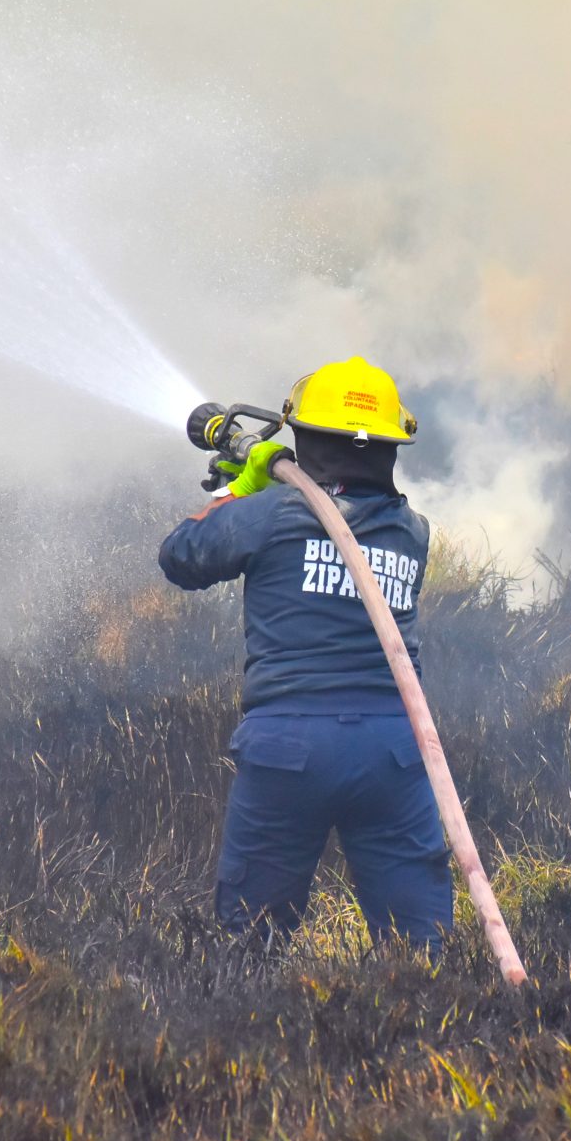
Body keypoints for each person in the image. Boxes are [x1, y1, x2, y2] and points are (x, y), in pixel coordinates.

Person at [158, 356, 452, 956]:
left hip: (289, 747)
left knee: (251, 942)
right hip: (394, 751)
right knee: (419, 946)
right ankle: (425, 1034)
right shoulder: (412, 533)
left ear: (304, 434)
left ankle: (252, 1030)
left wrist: (242, 487)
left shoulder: (266, 515)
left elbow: (180, 556)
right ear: (391, 446)